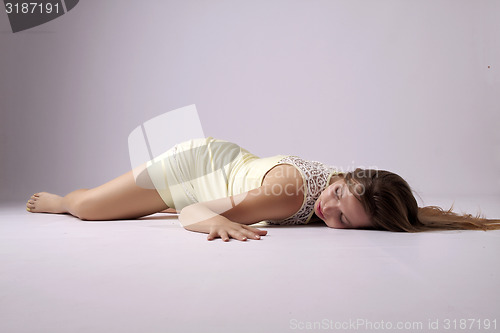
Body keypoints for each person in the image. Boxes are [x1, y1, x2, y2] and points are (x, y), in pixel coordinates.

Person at [26, 137, 500, 241]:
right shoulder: (292, 194)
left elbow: (403, 208)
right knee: (89, 210)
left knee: (127, 209)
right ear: (347, 177)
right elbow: (194, 213)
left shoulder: (365, 190)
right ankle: (67, 197)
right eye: (336, 195)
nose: (327, 209)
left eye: (342, 219)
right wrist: (218, 221)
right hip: (191, 171)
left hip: (232, 174)